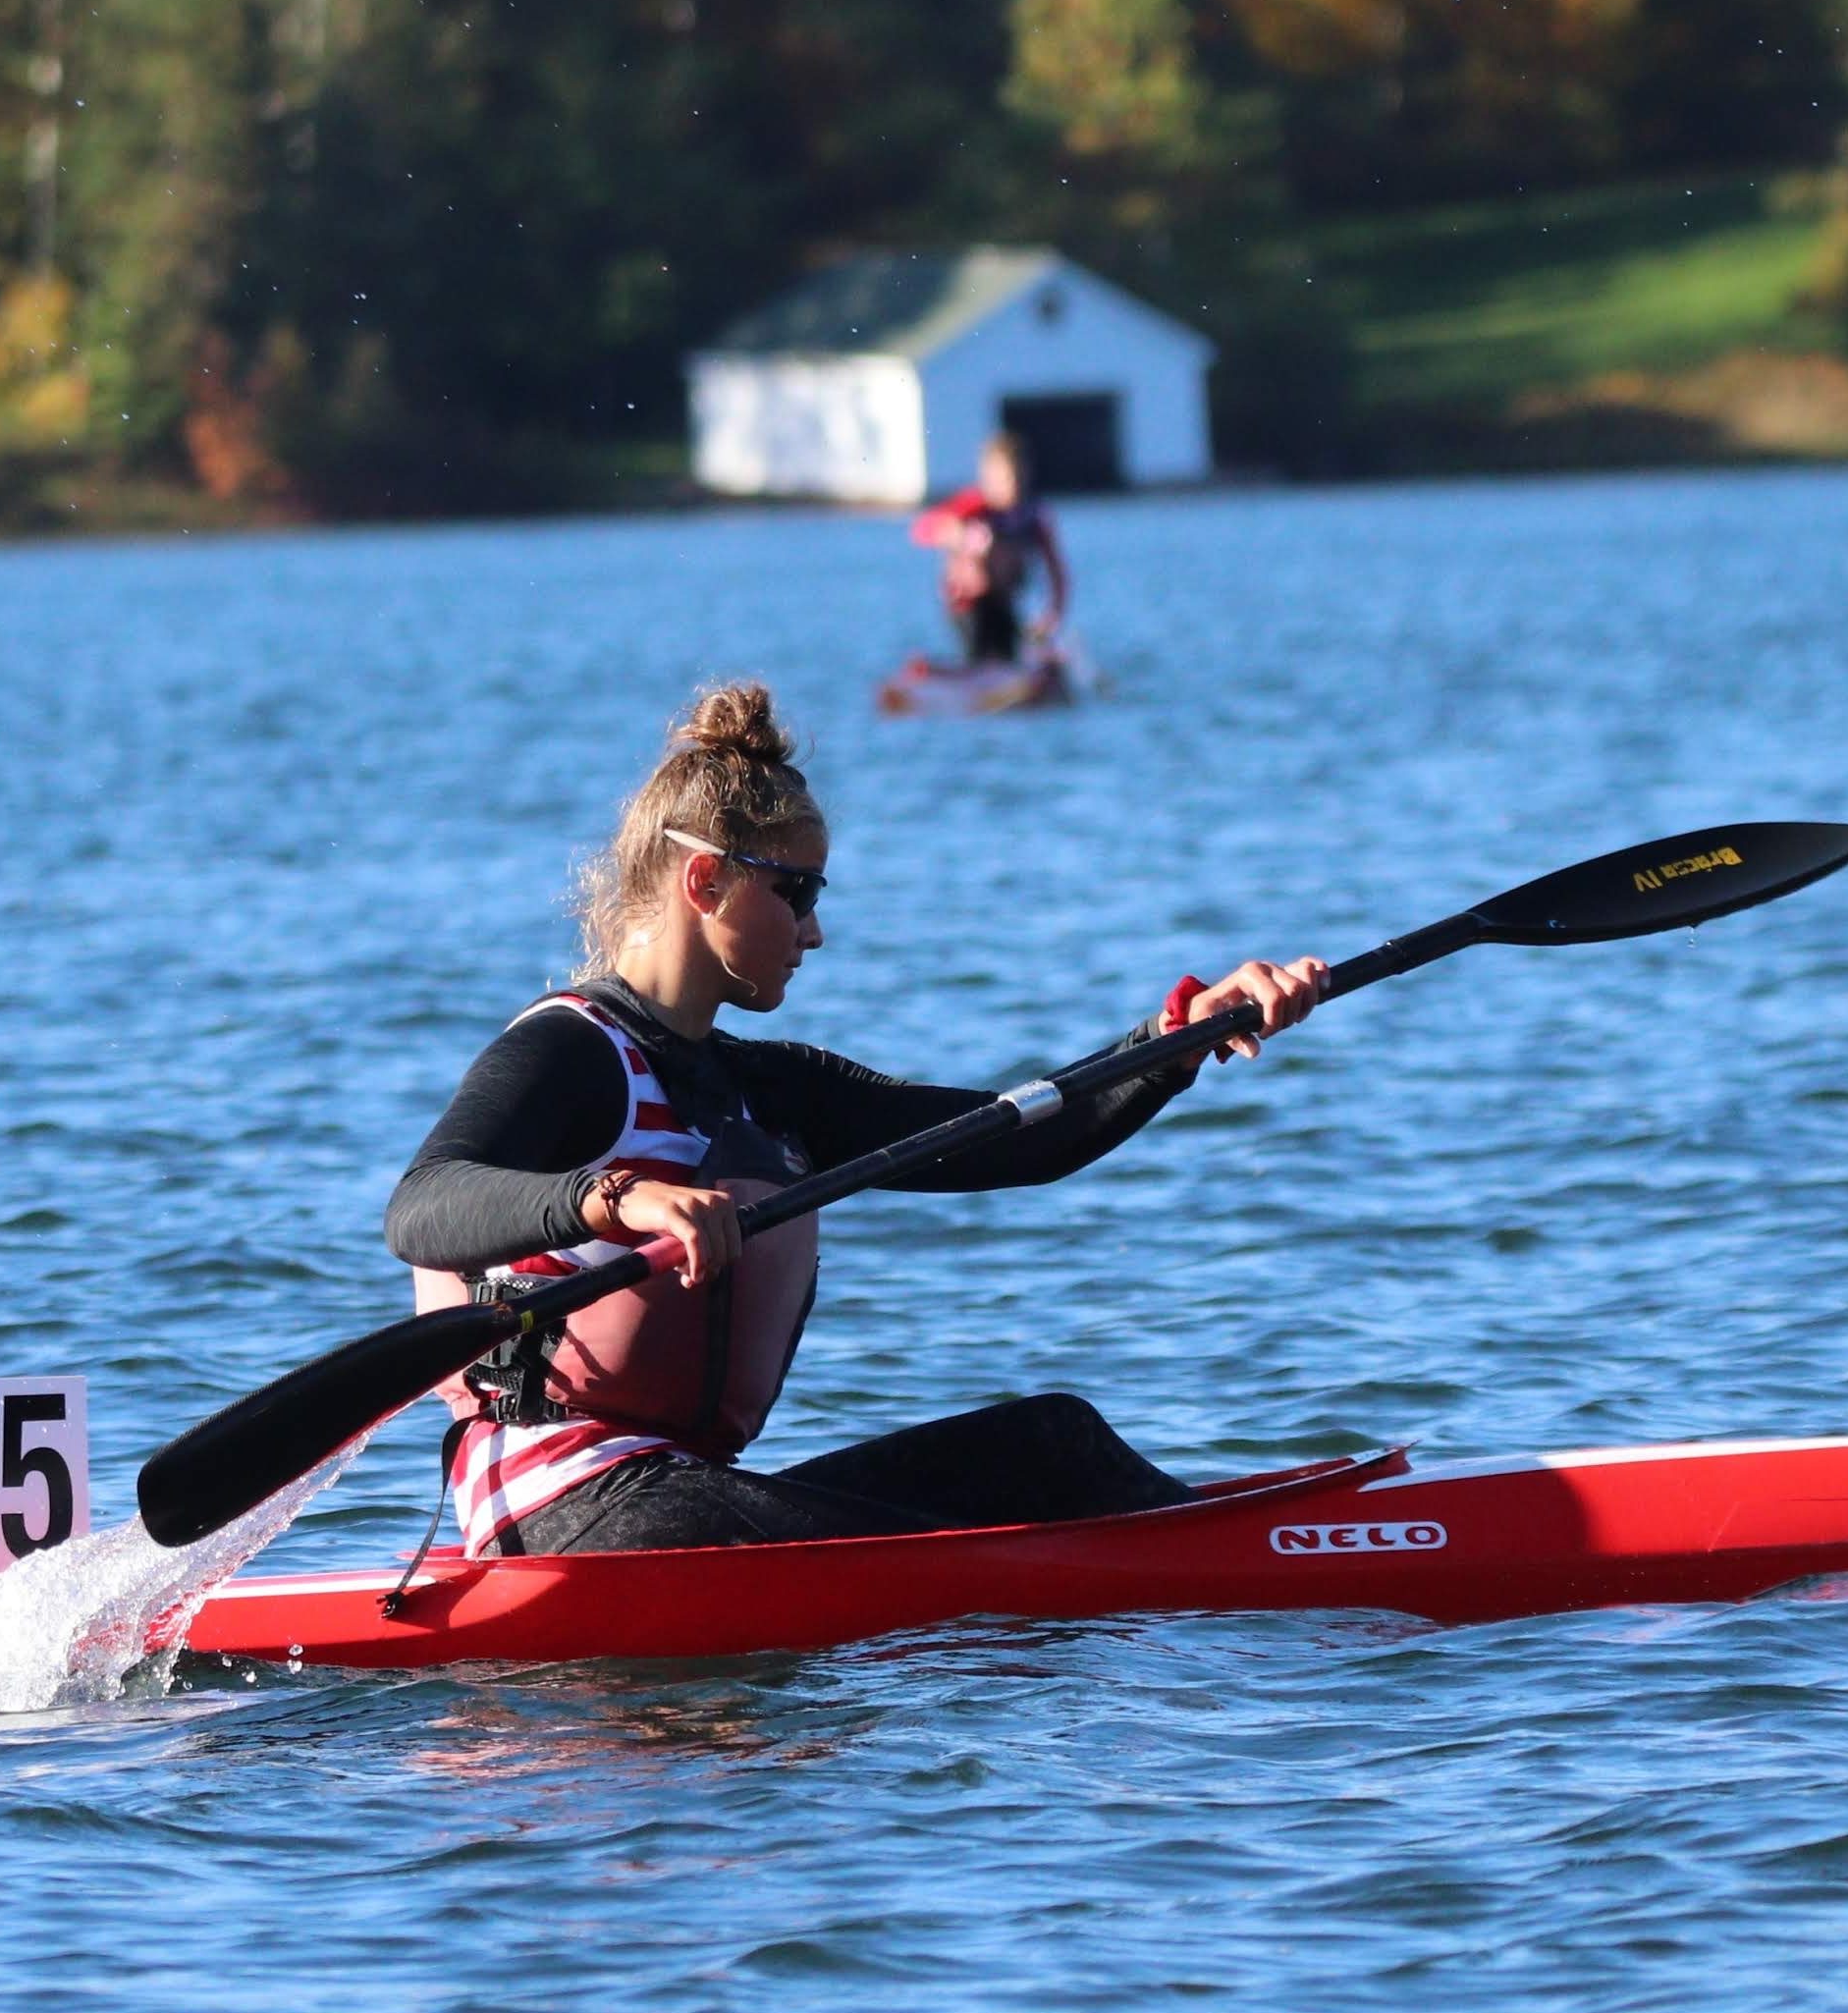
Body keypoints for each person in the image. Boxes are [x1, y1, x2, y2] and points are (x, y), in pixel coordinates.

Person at [382, 682, 1326, 1557]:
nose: (814, 930)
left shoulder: (774, 1086)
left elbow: (1022, 1136)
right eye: (796, 893)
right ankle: (1196, 1573)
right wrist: (613, 1202)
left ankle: (1252, 1552)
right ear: (704, 882)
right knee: (898, 1549)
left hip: (684, 1498)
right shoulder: (571, 1051)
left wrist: (1178, 1038)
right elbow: (422, 1207)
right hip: (563, 1514)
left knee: (1053, 1441)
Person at [907, 432, 1068, 669]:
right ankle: (967, 679)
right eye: (1003, 479)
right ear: (987, 478)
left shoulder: (1034, 516)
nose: (1011, 487)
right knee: (978, 653)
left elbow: (1056, 570)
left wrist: (1053, 613)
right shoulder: (974, 506)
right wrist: (957, 535)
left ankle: (1012, 679)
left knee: (1008, 656)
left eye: (1016, 478)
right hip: (967, 604)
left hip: (1004, 600)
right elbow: (921, 530)